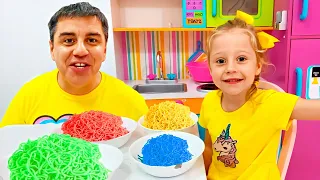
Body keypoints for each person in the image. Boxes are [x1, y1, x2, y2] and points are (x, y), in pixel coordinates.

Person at [199, 11, 320, 180]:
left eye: (241, 59)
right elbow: (209, 148)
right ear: (210, 69)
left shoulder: (271, 103)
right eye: (220, 61)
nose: (230, 68)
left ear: (257, 66)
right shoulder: (209, 101)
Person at [0, 2, 148, 127]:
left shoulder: (131, 101)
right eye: (69, 40)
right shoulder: (29, 95)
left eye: (91, 40)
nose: (80, 51)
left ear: (104, 49)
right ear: (52, 49)